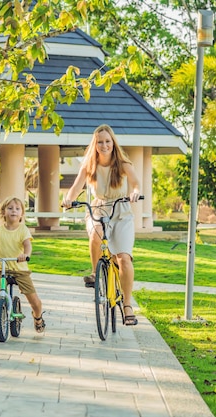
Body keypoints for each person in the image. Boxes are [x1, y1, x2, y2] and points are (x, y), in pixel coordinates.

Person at [62, 124, 141, 326]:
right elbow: (76, 186)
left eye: (107, 141)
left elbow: (135, 183)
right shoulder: (89, 165)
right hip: (99, 209)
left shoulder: (123, 163)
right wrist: (69, 199)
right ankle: (96, 272)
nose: (104, 145)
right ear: (95, 144)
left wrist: (134, 192)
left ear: (113, 143)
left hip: (121, 211)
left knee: (123, 258)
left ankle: (127, 305)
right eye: (100, 142)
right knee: (95, 234)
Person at [0, 196, 45, 335]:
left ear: (22, 213)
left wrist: (24, 255)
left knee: (34, 300)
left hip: (20, 270)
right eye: (9, 208)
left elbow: (28, 245)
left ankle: (38, 318)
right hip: (2, 269)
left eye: (17, 208)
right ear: (3, 212)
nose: (13, 211)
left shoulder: (23, 230)